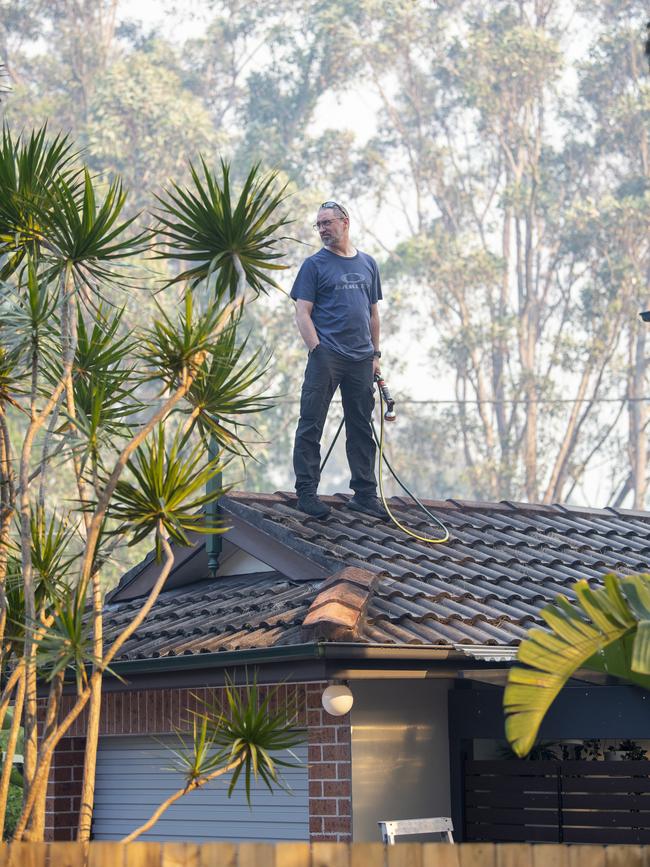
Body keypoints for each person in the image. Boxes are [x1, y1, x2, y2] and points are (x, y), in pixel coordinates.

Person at [290, 201, 388, 520]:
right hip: (327, 355)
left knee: (361, 426)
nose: (322, 230)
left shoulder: (368, 264)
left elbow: (373, 313)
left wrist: (375, 355)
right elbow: (302, 311)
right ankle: (306, 492)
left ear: (345, 222)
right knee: (311, 422)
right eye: (318, 225)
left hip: (361, 358)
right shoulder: (314, 265)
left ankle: (365, 495)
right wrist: (317, 349)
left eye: (327, 223)